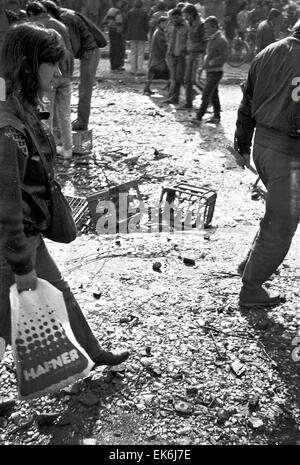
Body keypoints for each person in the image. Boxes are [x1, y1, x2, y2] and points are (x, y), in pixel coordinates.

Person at [0, 23, 130, 372]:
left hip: (25, 234)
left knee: (61, 294)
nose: (58, 73)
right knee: (3, 322)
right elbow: (6, 206)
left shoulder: (17, 105)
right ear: (28, 65)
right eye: (51, 64)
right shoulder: (8, 126)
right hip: (11, 238)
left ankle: (92, 353)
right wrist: (21, 265)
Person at [233, 18, 300, 308]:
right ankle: (251, 289)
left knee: (276, 211)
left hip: (263, 147)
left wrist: (242, 145)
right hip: (291, 157)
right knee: (283, 223)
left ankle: (249, 264)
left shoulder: (268, 52)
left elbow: (246, 103)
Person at [27, 0, 74, 159]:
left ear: (32, 14)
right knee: (65, 114)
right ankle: (68, 149)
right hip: (66, 75)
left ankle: (49, 150)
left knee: (47, 115)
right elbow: (70, 51)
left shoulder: (37, 27)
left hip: (50, 76)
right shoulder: (60, 25)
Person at [49, 0, 101, 131]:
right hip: (86, 52)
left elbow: (74, 46)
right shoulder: (64, 16)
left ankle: (82, 122)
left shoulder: (66, 18)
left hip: (90, 52)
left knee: (85, 89)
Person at [194, 15, 228, 123]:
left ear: (214, 27)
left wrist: (212, 62)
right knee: (214, 94)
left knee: (206, 94)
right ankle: (217, 116)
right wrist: (203, 67)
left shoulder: (221, 40)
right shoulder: (212, 39)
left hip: (216, 71)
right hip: (210, 71)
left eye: (207, 28)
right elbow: (208, 55)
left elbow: (225, 56)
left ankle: (199, 117)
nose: (206, 30)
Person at [178, 3, 206, 110]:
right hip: (190, 53)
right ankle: (188, 103)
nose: (185, 17)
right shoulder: (189, 23)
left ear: (192, 13)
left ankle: (211, 99)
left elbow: (205, 41)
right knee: (187, 80)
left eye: (186, 15)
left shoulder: (201, 24)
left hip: (198, 54)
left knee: (195, 80)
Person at [164, 7, 188, 104]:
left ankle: (190, 95)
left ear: (181, 16)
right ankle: (174, 98)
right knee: (174, 77)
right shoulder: (170, 25)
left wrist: (185, 51)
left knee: (179, 77)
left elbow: (189, 40)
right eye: (173, 18)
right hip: (171, 54)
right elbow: (168, 38)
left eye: (177, 18)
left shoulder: (186, 26)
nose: (175, 20)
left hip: (181, 55)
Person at [143, 15, 169, 94]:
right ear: (159, 23)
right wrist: (168, 46)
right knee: (165, 72)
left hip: (156, 55)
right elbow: (162, 45)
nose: (164, 25)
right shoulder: (159, 33)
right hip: (158, 56)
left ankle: (147, 88)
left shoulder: (159, 31)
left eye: (166, 23)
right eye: (163, 23)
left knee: (152, 73)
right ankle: (169, 88)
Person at [125, 0, 149, 75]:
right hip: (141, 34)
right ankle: (139, 69)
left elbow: (127, 23)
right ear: (141, 5)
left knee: (133, 52)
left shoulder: (129, 12)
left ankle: (133, 69)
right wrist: (146, 32)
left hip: (132, 34)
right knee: (140, 53)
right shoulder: (144, 13)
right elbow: (146, 25)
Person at [103, 0, 125, 72]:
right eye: (120, 2)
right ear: (117, 2)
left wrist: (108, 26)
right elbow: (119, 22)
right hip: (117, 32)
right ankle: (116, 67)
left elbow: (104, 21)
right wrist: (120, 30)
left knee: (112, 49)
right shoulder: (118, 11)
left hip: (111, 31)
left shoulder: (110, 10)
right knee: (118, 49)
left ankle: (113, 66)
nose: (121, 3)